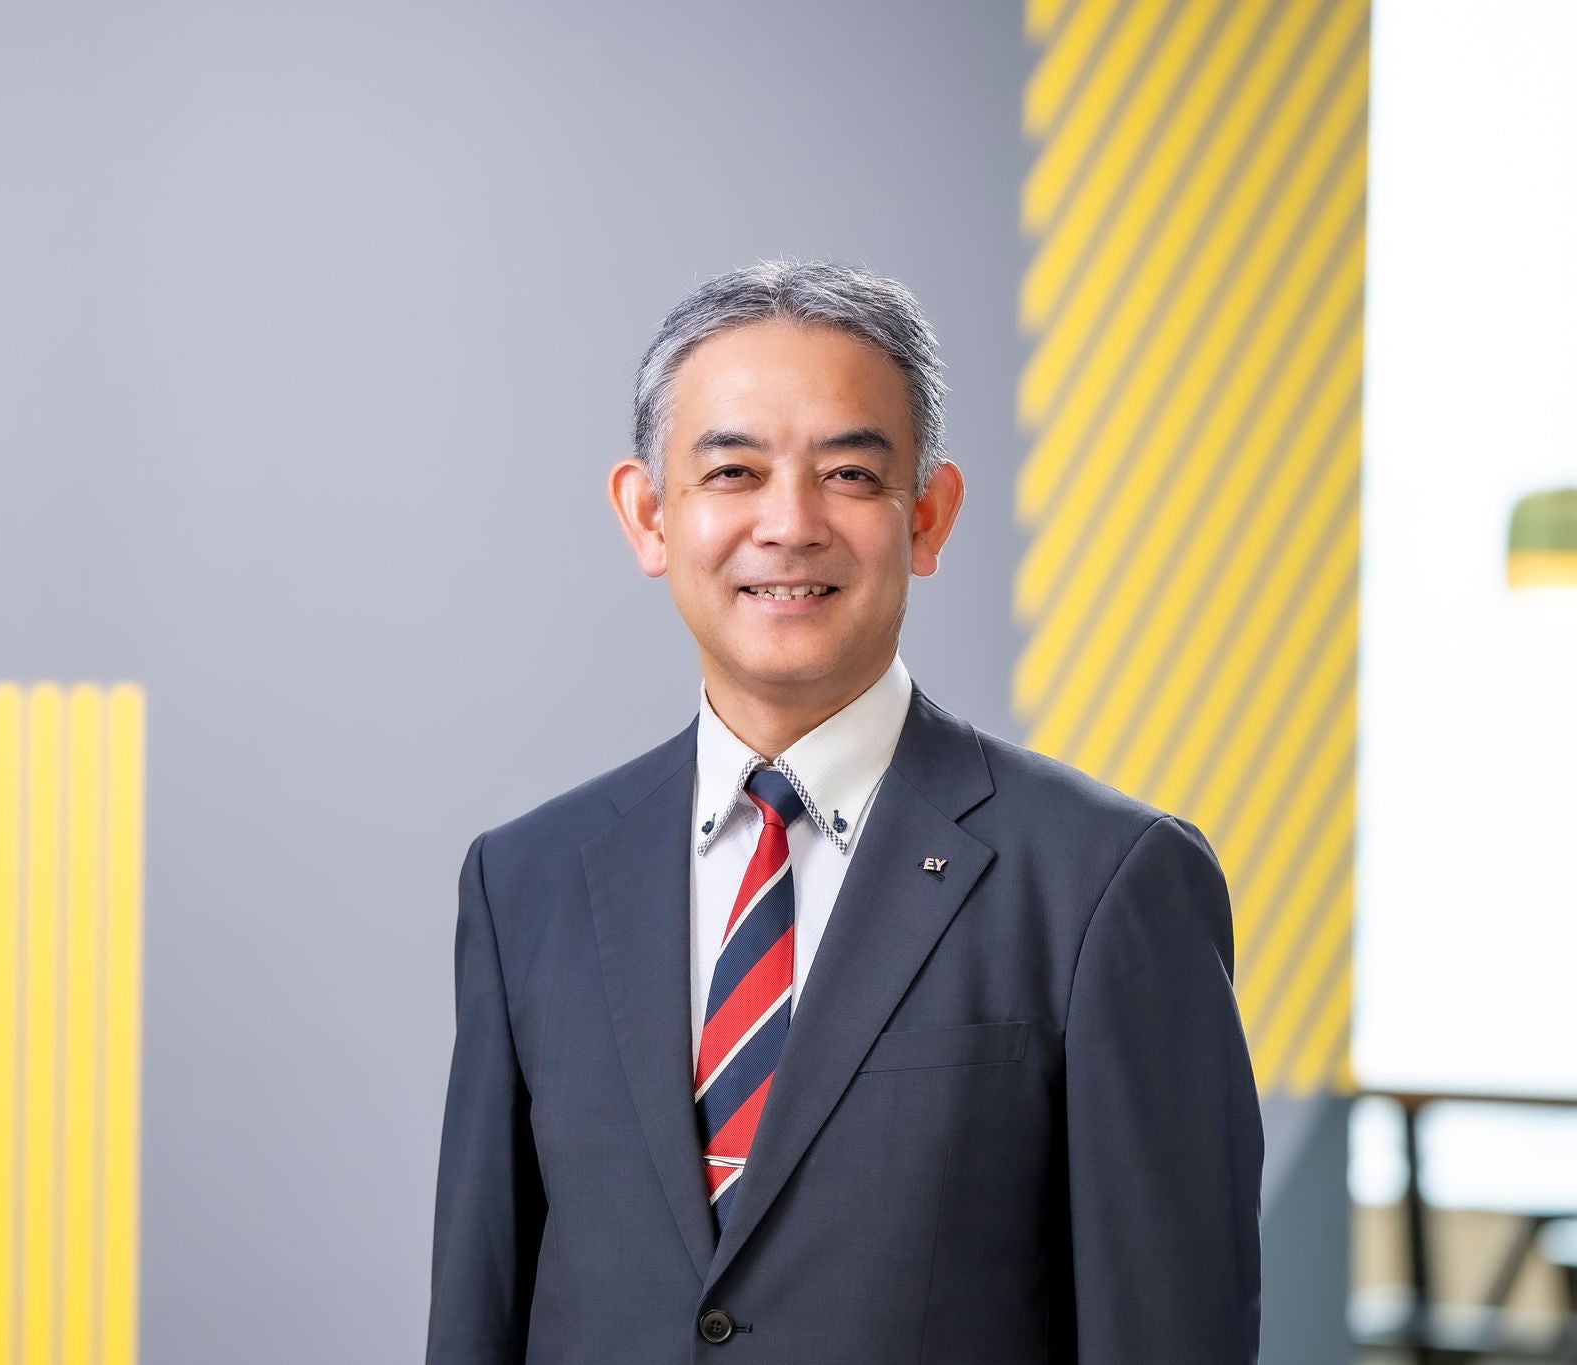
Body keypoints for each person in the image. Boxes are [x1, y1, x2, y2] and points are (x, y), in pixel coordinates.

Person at [426, 260, 1263, 1363]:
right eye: (732, 470)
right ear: (649, 515)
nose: (789, 523)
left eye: (850, 475)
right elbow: (479, 1313)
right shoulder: (526, 881)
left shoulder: (1104, 883)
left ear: (928, 515)